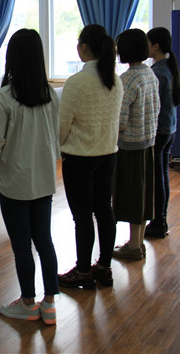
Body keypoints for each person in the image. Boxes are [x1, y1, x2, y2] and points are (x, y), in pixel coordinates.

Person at [0, 29, 60, 325]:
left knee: (21, 246)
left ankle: (28, 302)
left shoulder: (4, 98)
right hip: (43, 179)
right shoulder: (50, 95)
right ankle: (49, 304)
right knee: (44, 241)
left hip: (14, 182)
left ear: (12, 58)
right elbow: (54, 135)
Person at [57, 24, 124, 289]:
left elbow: (63, 124)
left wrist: (58, 148)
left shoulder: (77, 82)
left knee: (83, 216)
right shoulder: (115, 79)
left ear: (84, 47)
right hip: (108, 154)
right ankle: (104, 268)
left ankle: (83, 270)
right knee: (105, 211)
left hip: (80, 157)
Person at [112, 29, 160, 260]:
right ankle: (137, 243)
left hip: (130, 146)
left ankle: (133, 246)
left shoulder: (128, 79)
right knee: (143, 195)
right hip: (148, 144)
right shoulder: (150, 74)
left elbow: (120, 121)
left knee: (131, 196)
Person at [145, 27, 180, 238]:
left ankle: (158, 221)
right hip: (170, 129)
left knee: (157, 178)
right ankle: (161, 219)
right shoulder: (168, 67)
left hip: (159, 131)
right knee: (163, 175)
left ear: (156, 46)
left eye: (148, 42)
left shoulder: (157, 72)